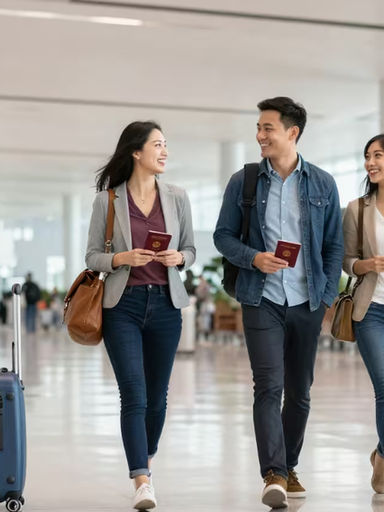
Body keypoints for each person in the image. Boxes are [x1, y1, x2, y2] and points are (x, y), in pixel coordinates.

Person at [213, 97, 343, 509]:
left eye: (267, 128)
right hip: (261, 298)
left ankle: (288, 464)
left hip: (307, 301)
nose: (259, 135)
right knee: (268, 386)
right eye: (258, 127)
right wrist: (253, 257)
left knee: (300, 392)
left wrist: (324, 297)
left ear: (292, 132)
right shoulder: (245, 181)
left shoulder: (322, 183)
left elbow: (333, 245)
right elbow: (222, 236)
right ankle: (273, 472)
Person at [86, 121, 195, 510]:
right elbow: (92, 256)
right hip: (123, 306)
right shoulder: (108, 201)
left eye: (166, 145)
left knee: (158, 398)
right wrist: (121, 258)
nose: (164, 152)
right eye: (158, 145)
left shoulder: (178, 197)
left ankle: (145, 455)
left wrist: (179, 257)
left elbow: (191, 250)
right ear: (136, 152)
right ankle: (142, 480)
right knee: (133, 392)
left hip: (166, 304)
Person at [343, 134, 384, 494]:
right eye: (367, 156)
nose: (370, 162)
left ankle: (382, 455)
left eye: (378, 155)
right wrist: (365, 264)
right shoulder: (357, 208)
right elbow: (346, 260)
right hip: (371, 309)